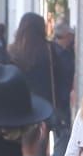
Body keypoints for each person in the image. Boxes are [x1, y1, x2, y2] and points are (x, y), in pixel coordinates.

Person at [10, 12, 56, 142]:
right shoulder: (49, 50)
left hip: (19, 103)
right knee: (41, 141)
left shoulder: (12, 52)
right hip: (44, 103)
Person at [51, 21, 78, 156]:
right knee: (63, 136)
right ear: (66, 36)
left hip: (61, 101)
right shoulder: (58, 54)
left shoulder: (55, 51)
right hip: (61, 102)